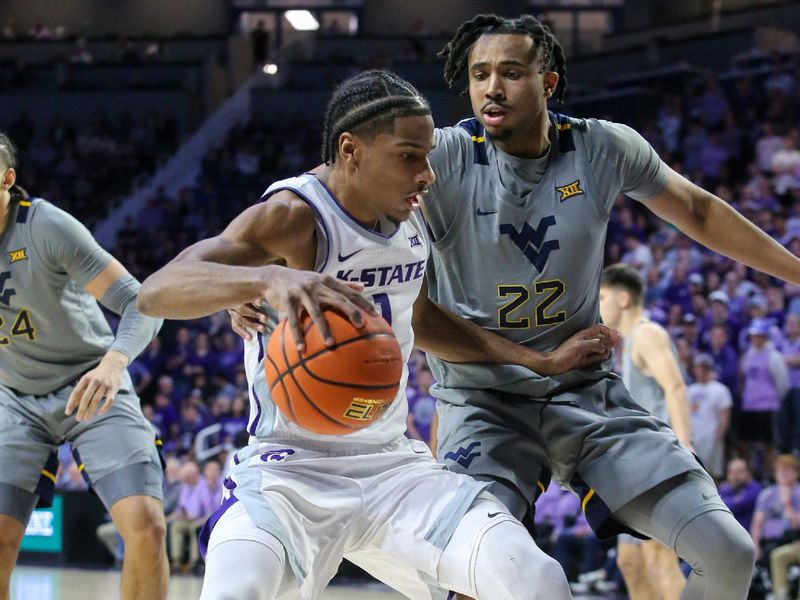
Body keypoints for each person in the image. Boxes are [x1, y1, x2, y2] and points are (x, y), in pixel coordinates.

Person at [138, 71, 617, 600]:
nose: (428, 174)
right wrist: (265, 278)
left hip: (392, 464)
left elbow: (423, 318)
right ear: (351, 151)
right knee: (235, 594)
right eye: (410, 156)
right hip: (289, 471)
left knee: (538, 580)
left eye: (429, 156)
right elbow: (156, 291)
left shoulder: (410, 218)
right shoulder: (294, 216)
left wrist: (536, 360)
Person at [411, 12, 800, 600]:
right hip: (482, 402)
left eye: (511, 73)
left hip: (584, 395)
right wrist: (262, 277)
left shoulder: (602, 148)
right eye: (479, 74)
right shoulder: (439, 159)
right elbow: (328, 198)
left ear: (549, 82)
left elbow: (698, 211)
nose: (492, 87)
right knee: (488, 583)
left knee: (728, 552)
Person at [0, 133, 167, 600]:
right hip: (14, 400)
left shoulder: (45, 227)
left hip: (90, 387)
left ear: (8, 180)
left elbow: (142, 302)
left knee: (146, 525)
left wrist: (114, 363)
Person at [598, 263, 689, 600]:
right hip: (637, 469)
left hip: (661, 464)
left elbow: (676, 387)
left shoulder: (647, 333)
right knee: (631, 561)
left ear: (623, 299)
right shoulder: (629, 343)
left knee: (659, 558)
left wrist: (686, 446)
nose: (598, 304)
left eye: (602, 296)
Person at [686, 353, 732, 478]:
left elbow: (725, 417)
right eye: (698, 367)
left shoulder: (720, 390)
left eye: (704, 368)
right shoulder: (689, 390)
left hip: (711, 436)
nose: (701, 371)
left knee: (713, 473)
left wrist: (719, 437)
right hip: (693, 436)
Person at [719, 458, 762, 532]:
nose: (735, 475)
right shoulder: (724, 489)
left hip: (748, 534)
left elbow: (741, 504)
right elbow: (720, 506)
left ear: (748, 473)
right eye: (731, 471)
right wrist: (735, 500)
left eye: (739, 471)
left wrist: (731, 502)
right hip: (728, 533)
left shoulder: (755, 487)